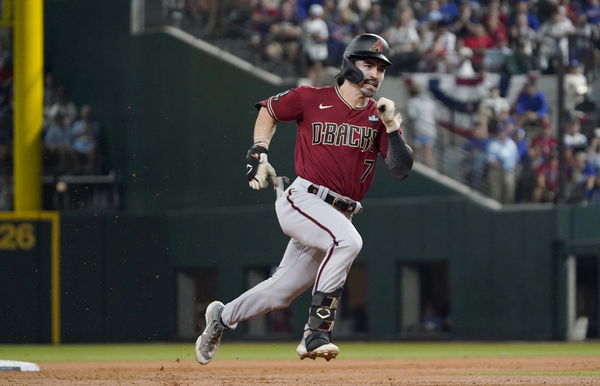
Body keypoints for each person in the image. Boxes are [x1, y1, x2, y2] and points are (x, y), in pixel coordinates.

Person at [195, 33, 413, 365]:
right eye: (368, 64)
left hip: (340, 213)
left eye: (381, 69)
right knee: (347, 243)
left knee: (279, 292)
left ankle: (221, 318)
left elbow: (400, 169)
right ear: (349, 65)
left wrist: (392, 126)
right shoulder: (311, 98)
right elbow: (269, 110)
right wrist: (259, 150)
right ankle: (316, 333)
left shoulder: (379, 116)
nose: (375, 74)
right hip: (304, 198)